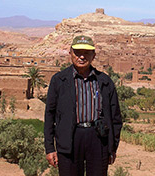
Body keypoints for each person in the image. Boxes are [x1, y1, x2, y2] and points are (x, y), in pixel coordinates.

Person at [44, 35, 123, 176]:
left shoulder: (105, 82)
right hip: (69, 138)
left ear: (94, 55)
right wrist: (50, 148)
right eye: (77, 53)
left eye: (86, 53)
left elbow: (115, 117)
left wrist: (112, 147)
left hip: (98, 139)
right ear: (70, 54)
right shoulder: (59, 81)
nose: (82, 57)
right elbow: (50, 116)